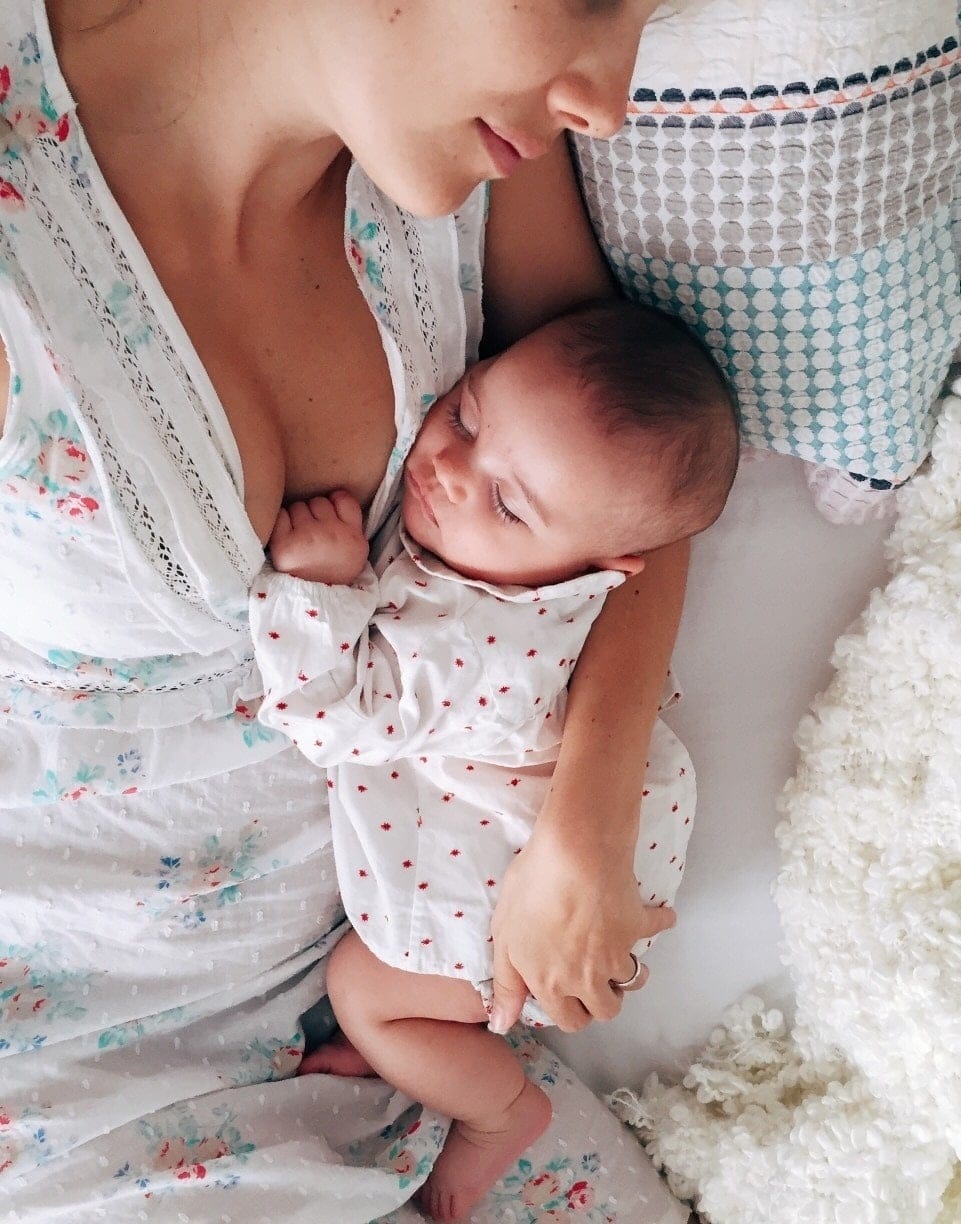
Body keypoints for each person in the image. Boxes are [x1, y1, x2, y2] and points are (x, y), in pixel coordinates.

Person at [0, 1, 700, 1217]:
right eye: (595, 0)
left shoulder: (473, 156)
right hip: (55, 1055)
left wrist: (583, 831)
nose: (611, 99)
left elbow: (641, 501)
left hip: (367, 1017)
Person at [249, 299, 739, 1221]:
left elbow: (331, 718)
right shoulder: (504, 572)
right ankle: (436, 1035)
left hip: (526, 911)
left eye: (509, 504)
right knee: (384, 1003)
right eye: (468, 415)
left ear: (601, 567)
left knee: (362, 993)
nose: (447, 471)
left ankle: (500, 1110)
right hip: (566, 837)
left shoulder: (481, 650)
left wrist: (313, 590)